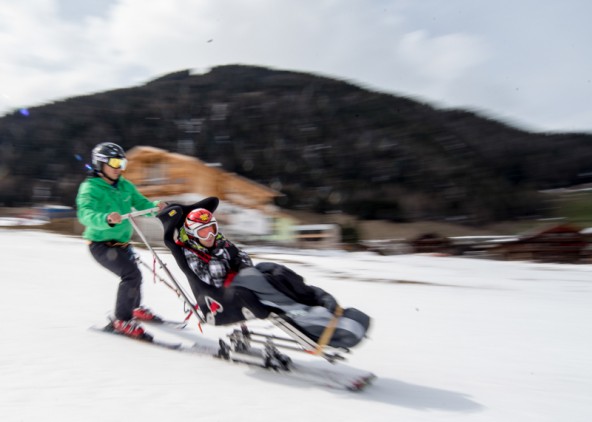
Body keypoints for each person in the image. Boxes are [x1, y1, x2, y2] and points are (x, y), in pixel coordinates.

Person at [161, 198, 370, 349]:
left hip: (239, 278)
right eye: (203, 232)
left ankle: (317, 299)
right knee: (256, 279)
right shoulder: (191, 254)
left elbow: (241, 255)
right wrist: (224, 256)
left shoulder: (219, 242)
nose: (209, 235)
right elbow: (213, 278)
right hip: (222, 295)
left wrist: (238, 261)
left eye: (212, 229)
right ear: (192, 234)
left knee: (274, 270)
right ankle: (308, 319)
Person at [76, 142, 167, 338]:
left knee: (135, 275)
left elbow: (141, 203)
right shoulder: (90, 188)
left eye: (122, 163)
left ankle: (134, 308)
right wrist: (106, 218)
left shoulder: (125, 185)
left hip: (123, 244)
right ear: (100, 164)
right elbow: (85, 214)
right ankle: (122, 320)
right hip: (100, 245)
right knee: (131, 275)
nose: (119, 168)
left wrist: (156, 207)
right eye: (115, 163)